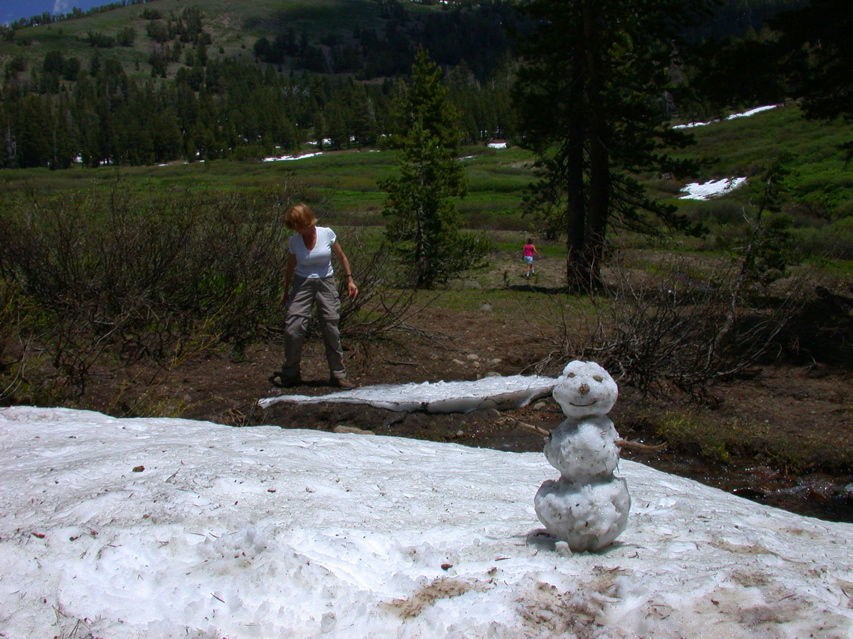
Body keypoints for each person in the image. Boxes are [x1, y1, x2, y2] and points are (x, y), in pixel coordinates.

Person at [269, 203, 358, 389]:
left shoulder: (327, 233)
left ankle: (338, 375)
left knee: (330, 328)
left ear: (308, 221)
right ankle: (290, 374)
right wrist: (286, 292)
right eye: (293, 227)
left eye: (298, 225)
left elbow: (342, 257)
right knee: (293, 329)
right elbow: (289, 267)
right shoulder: (294, 241)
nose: (296, 230)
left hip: (326, 282)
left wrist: (349, 279)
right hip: (302, 283)